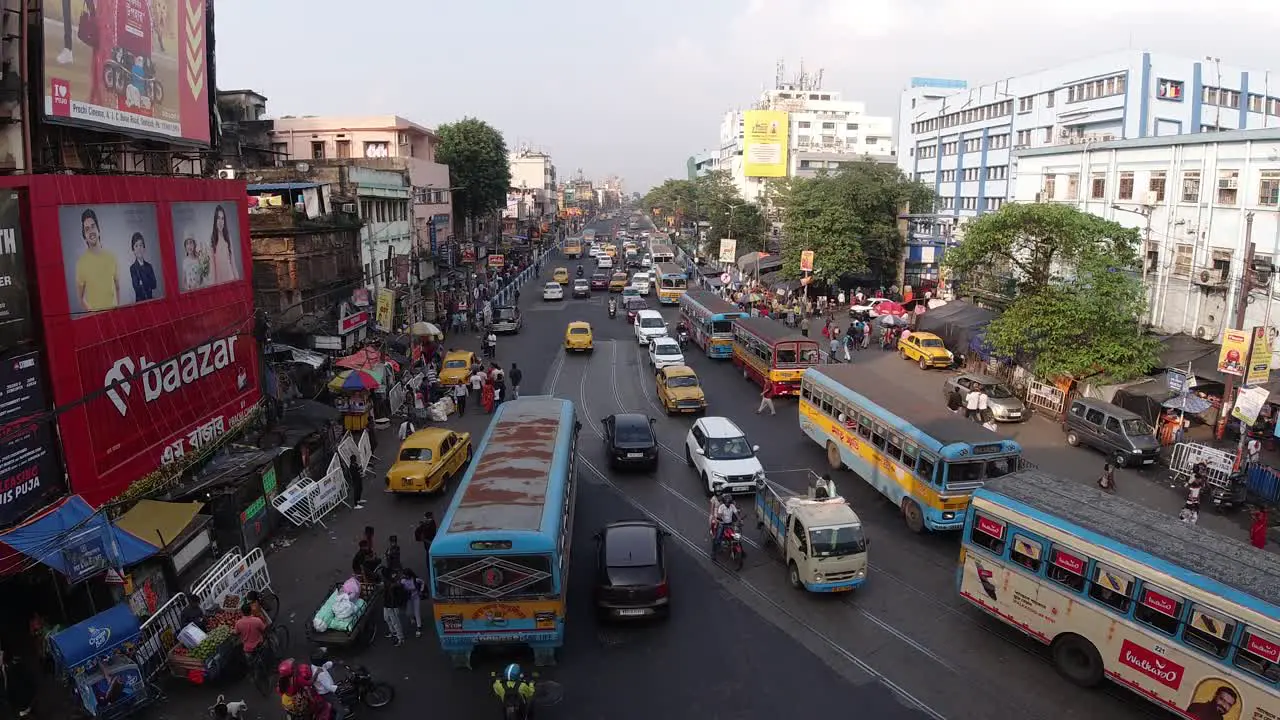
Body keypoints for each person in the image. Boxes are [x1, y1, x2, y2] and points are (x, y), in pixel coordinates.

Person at [75, 208, 120, 312]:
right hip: (96, 320)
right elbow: (81, 298)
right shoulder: (81, 263)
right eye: (87, 229)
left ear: (98, 230)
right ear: (85, 237)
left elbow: (117, 288)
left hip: (114, 315)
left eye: (93, 226)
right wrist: (93, 314)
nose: (91, 231)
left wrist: (117, 308)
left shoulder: (111, 257)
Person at [310, 651, 345, 720]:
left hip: (320, 690)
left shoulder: (313, 666)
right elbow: (328, 687)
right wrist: (339, 688)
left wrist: (334, 663)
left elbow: (326, 665)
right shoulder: (321, 674)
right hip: (326, 693)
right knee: (341, 711)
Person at [209, 205, 238, 284]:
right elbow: (212, 268)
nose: (220, 221)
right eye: (218, 218)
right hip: (219, 282)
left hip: (230, 278)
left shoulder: (228, 238)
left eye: (222, 218)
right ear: (215, 220)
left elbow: (233, 263)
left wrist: (238, 282)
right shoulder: (212, 240)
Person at [381, 571, 408, 646]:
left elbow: (393, 591)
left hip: (391, 606)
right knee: (386, 618)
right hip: (386, 604)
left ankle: (400, 638)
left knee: (395, 621)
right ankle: (393, 631)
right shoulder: (388, 584)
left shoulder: (391, 585)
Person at [128, 232, 157, 302]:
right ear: (133, 250)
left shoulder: (149, 266)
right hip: (140, 303)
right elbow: (137, 289)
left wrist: (142, 282)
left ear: (144, 248)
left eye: (141, 245)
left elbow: (154, 285)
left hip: (150, 301)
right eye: (136, 246)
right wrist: (147, 281)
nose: (139, 248)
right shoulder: (133, 268)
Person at [400, 569, 425, 637]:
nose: (404, 576)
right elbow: (399, 586)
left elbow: (422, 582)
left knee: (417, 612)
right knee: (408, 612)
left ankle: (419, 628)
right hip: (408, 598)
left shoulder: (416, 580)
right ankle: (412, 618)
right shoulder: (403, 581)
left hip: (416, 598)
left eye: (405, 575)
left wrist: (421, 591)